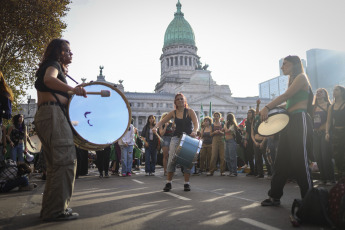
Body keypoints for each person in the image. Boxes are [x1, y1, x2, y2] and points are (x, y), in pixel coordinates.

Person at [34, 38, 86, 221]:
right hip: (52, 114)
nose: (71, 54)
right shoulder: (53, 64)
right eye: (67, 50)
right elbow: (49, 79)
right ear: (58, 52)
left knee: (56, 166)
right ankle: (56, 211)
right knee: (65, 162)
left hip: (49, 115)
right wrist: (73, 90)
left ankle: (51, 210)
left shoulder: (52, 65)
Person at [260, 55, 314, 206]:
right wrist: (274, 111)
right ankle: (274, 196)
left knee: (300, 162)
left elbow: (286, 95)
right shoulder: (292, 80)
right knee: (280, 161)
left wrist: (267, 107)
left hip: (299, 120)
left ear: (295, 65)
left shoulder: (302, 77)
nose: (282, 67)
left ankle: (310, 201)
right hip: (288, 122)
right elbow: (288, 103)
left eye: (285, 64)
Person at [153, 93, 198, 192]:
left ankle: (187, 183)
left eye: (182, 99)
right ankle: (168, 182)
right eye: (178, 99)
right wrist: (155, 127)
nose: (180, 101)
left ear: (184, 101)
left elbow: (196, 123)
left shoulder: (190, 111)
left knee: (187, 160)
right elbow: (162, 121)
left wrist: (194, 131)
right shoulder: (173, 113)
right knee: (172, 159)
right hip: (176, 138)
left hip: (188, 138)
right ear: (175, 102)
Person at [312, 88, 335, 185]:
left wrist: (326, 132)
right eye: (317, 92)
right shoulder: (313, 107)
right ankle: (323, 178)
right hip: (315, 134)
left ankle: (331, 178)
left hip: (324, 133)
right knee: (318, 156)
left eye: (321, 92)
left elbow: (331, 121)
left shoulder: (329, 105)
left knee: (326, 155)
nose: (318, 93)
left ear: (325, 95)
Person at [326, 85, 345, 179]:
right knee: (337, 157)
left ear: (342, 92)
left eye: (336, 90)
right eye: (333, 90)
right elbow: (328, 121)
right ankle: (341, 179)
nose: (334, 91)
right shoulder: (331, 106)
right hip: (336, 134)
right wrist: (327, 132)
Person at [207, 112, 225, 176]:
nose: (216, 117)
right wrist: (214, 132)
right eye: (215, 116)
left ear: (219, 117)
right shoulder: (212, 125)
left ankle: (222, 171)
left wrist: (220, 132)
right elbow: (210, 134)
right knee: (214, 155)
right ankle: (211, 170)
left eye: (217, 116)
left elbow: (225, 133)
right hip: (214, 139)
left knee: (222, 156)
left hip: (222, 139)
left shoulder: (222, 124)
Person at [243, 109, 256, 176]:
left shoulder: (256, 121)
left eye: (250, 113)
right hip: (250, 140)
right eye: (248, 113)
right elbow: (247, 132)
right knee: (249, 155)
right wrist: (245, 140)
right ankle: (252, 170)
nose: (248, 114)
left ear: (253, 114)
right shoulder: (247, 122)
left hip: (256, 138)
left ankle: (258, 170)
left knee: (256, 155)